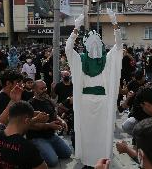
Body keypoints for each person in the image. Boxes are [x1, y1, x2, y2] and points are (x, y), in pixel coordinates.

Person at [65, 9, 123, 167]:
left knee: (102, 135)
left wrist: (115, 24)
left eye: (97, 43)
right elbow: (68, 49)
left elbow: (119, 47)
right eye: (91, 44)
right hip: (85, 103)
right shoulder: (80, 60)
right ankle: (88, 162)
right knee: (87, 134)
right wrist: (75, 29)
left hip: (103, 102)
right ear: (86, 46)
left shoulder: (107, 59)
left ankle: (102, 161)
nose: (95, 46)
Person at [0, 101, 48, 169]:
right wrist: (36, 119)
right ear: (27, 120)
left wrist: (13, 100)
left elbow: (1, 121)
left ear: (8, 117)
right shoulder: (28, 147)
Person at [27, 80, 71, 167]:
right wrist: (49, 125)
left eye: (45, 88)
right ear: (34, 90)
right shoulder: (30, 104)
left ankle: (48, 148)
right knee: (53, 161)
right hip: (37, 137)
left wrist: (61, 121)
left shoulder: (48, 101)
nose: (45, 90)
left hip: (51, 135)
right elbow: (30, 125)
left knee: (67, 153)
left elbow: (55, 115)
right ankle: (35, 150)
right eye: (41, 89)